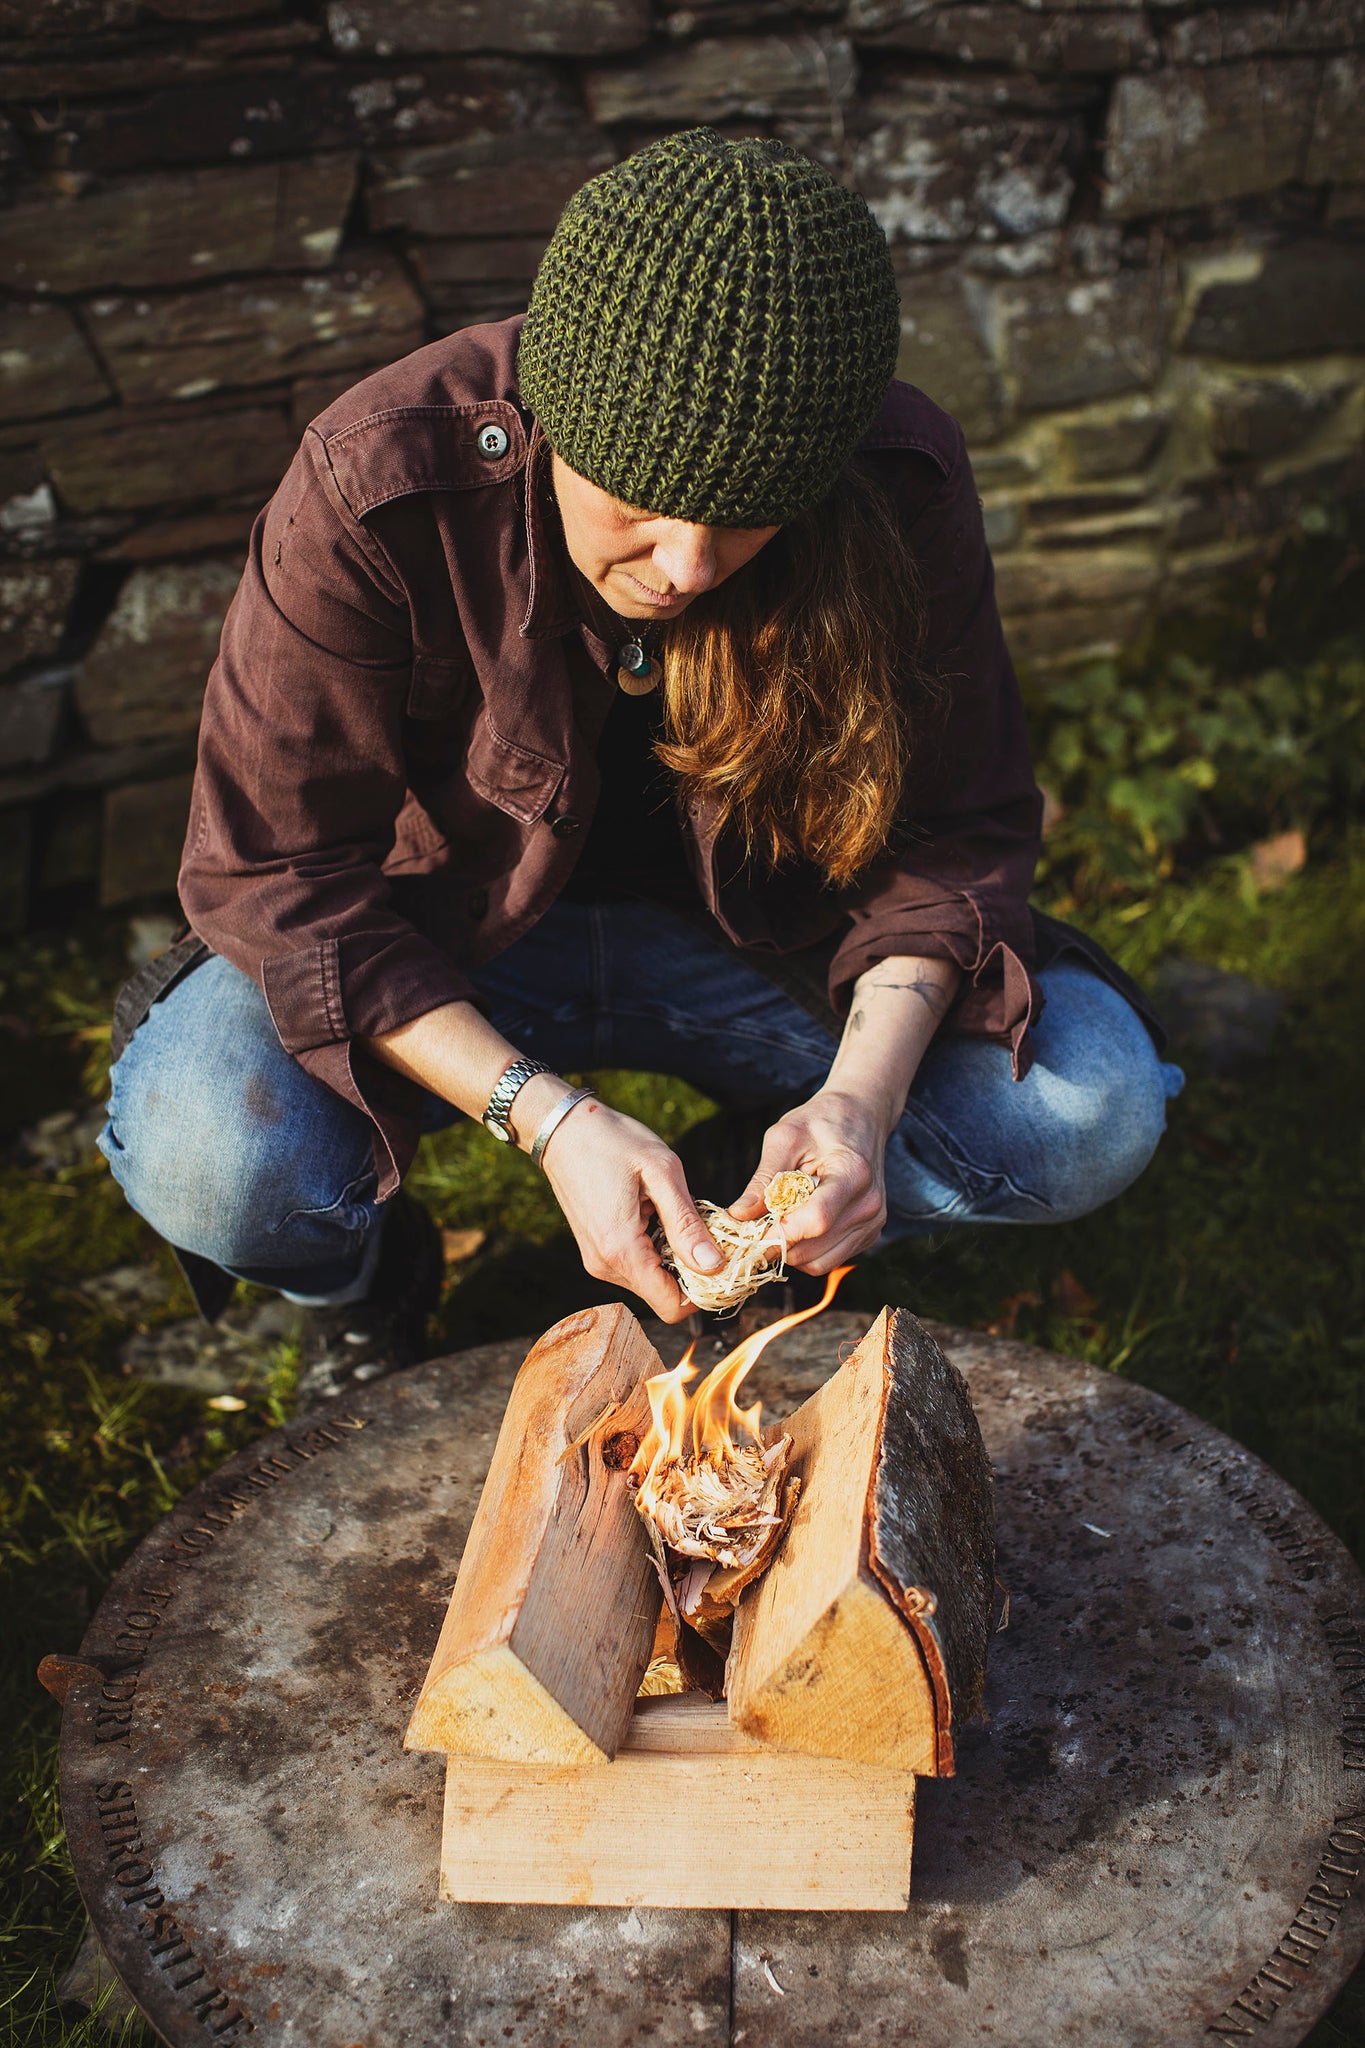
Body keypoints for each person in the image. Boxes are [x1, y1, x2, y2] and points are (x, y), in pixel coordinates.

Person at [100, 128, 1182, 1367]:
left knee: (1088, 1108)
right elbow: (274, 876)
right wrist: (547, 1117)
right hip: (444, 948)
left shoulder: (896, 480)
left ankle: (758, 1205)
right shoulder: (375, 484)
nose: (686, 567)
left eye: (743, 522)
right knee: (208, 1147)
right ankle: (363, 1275)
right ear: (555, 423)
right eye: (640, 505)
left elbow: (957, 836)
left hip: (769, 946)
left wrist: (859, 1104)